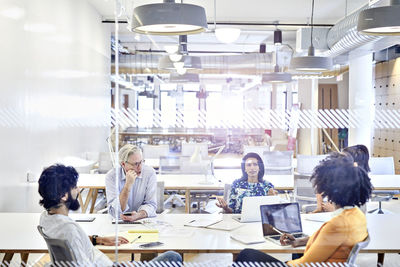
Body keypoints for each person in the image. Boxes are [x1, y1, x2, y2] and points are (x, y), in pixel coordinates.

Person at [235, 152, 372, 265]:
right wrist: (299, 241)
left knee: (246, 254)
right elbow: (329, 239)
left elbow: (303, 264)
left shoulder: (337, 225)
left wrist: (285, 263)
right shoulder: (357, 215)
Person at [38, 164, 181, 265]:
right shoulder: (69, 229)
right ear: (64, 195)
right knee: (172, 256)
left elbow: (72, 243)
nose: (78, 189)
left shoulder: (46, 218)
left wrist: (99, 239)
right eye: (74, 187)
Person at [106, 144, 157, 221]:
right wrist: (127, 186)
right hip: (119, 222)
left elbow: (151, 204)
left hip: (142, 220)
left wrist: (138, 215)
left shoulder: (149, 173)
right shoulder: (112, 176)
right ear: (123, 164)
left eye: (141, 162)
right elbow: (115, 212)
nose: (140, 167)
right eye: (135, 164)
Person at [313, 144, 370, 213]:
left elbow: (357, 213)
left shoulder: (356, 187)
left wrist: (334, 210)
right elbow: (320, 189)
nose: (339, 160)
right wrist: (320, 205)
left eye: (343, 159)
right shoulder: (339, 179)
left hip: (344, 219)